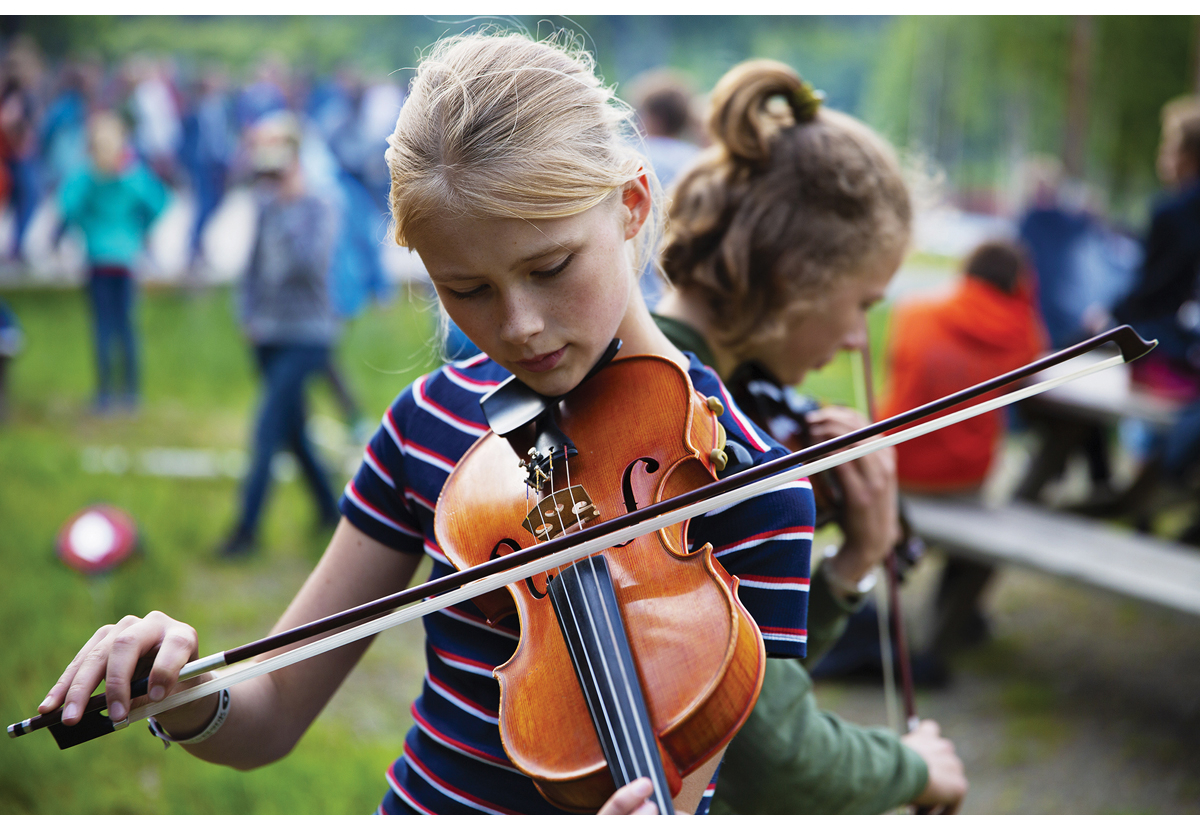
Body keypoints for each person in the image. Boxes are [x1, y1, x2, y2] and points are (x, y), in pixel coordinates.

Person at [41, 32, 815, 816]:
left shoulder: (752, 488)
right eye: (466, 288)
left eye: (550, 268)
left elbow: (753, 790)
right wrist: (185, 688)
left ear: (633, 205)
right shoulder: (432, 421)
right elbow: (271, 715)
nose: (521, 328)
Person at [654, 59, 967, 814]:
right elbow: (769, 756)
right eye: (863, 302)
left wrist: (853, 564)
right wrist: (911, 766)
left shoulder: (677, 384)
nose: (861, 340)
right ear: (797, 275)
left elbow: (742, 682)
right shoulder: (705, 432)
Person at [878, 240, 1046, 659]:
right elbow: (1033, 350)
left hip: (895, 464)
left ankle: (949, 609)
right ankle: (958, 610)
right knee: (1005, 489)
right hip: (962, 476)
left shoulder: (914, 312)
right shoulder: (1021, 335)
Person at [218, 111, 341, 558]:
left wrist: (292, 201)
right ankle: (333, 511)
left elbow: (307, 267)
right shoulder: (263, 202)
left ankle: (244, 533)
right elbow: (251, 267)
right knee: (294, 434)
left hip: (307, 335)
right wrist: (246, 315)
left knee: (267, 427)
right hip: (267, 334)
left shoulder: (318, 204)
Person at [58, 110, 168, 414]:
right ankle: (131, 394)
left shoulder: (87, 174)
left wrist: (88, 227)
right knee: (127, 328)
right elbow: (159, 201)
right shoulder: (131, 173)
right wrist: (139, 229)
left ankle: (105, 394)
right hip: (126, 258)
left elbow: (67, 206)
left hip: (98, 258)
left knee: (103, 328)